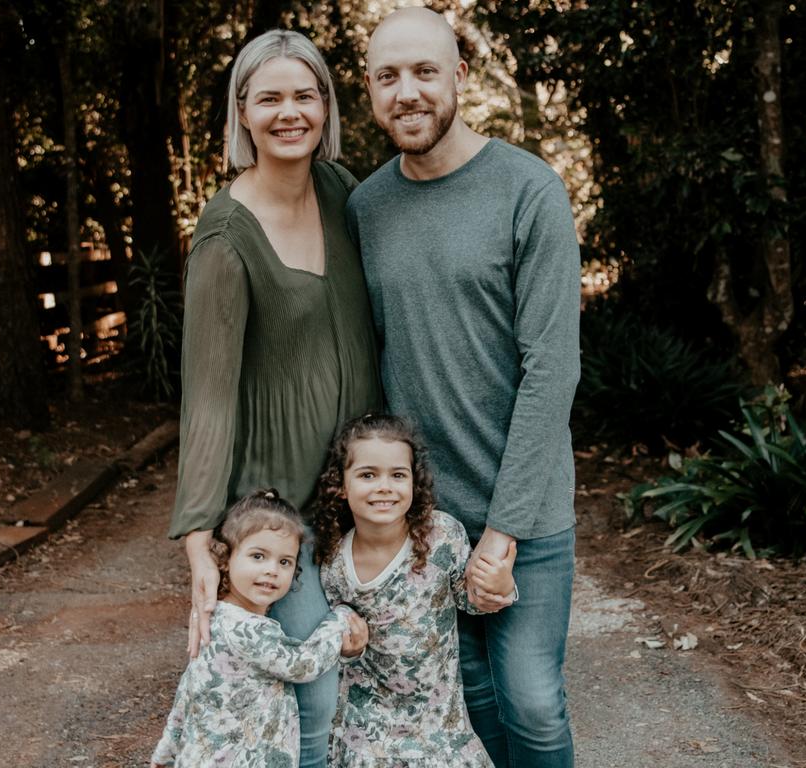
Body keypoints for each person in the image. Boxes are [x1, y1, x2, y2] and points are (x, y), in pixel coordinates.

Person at [346, 8, 581, 768]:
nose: (406, 92)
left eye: (423, 72)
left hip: (526, 516)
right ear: (371, 90)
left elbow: (553, 368)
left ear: (460, 78)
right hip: (427, 524)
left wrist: (503, 535)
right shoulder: (366, 206)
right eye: (388, 77)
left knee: (534, 705)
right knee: (471, 705)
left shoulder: (528, 191)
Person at [167, 29, 381, 768]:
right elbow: (208, 395)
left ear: (326, 106)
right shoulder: (226, 235)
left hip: (359, 493)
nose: (290, 112)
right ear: (242, 113)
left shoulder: (343, 190)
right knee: (311, 694)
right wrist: (201, 535)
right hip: (276, 503)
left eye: (305, 94)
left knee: (371, 678)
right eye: (270, 98)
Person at [313, 414, 517, 768]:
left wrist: (501, 588)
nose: (384, 487)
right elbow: (342, 644)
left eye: (397, 475)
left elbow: (470, 600)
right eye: (367, 475)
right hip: (368, 732)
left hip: (437, 727)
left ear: (414, 482)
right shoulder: (333, 562)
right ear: (341, 486)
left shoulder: (441, 537)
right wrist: (348, 646)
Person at [151, 490, 369, 768]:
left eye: (284, 562)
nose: (271, 570)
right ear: (225, 559)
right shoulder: (247, 631)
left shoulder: (215, 618)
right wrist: (340, 618)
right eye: (258, 556)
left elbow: (188, 692)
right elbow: (301, 664)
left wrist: (165, 751)